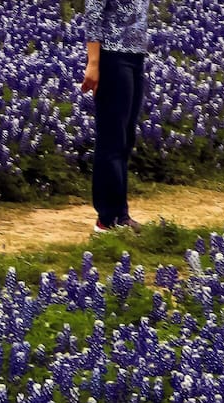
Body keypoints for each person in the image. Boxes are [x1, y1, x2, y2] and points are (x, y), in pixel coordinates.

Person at [78, 0, 150, 233]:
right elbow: (93, 12)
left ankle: (120, 213)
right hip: (111, 55)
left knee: (125, 138)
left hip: (135, 55)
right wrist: (93, 63)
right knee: (112, 137)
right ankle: (108, 218)